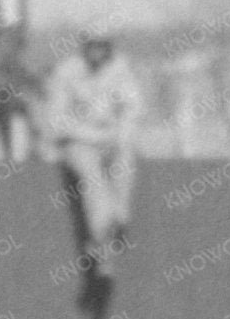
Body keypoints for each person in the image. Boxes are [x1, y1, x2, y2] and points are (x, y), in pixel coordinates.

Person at [41, 23, 149, 274]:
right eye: (93, 45)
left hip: (111, 138)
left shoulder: (121, 69)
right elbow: (56, 120)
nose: (98, 51)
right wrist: (90, 135)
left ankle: (119, 219)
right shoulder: (67, 72)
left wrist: (120, 134)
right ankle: (102, 246)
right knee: (95, 187)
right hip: (78, 141)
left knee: (125, 166)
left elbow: (134, 109)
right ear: (84, 46)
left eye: (103, 45)